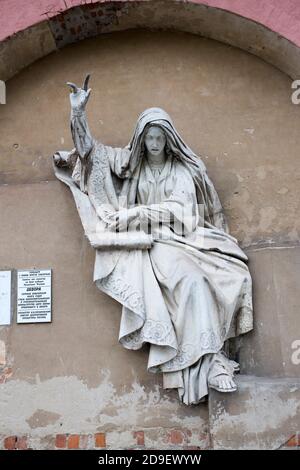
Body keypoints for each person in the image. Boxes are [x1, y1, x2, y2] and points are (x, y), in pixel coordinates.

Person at [53, 76, 253, 405]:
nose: (155, 143)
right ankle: (208, 362)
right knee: (193, 283)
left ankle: (212, 359)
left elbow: (183, 211)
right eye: (150, 137)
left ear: (169, 139)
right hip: (154, 246)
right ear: (142, 139)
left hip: (187, 240)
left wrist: (135, 214)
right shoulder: (132, 165)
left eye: (160, 137)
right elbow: (91, 154)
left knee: (221, 279)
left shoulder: (181, 171)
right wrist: (78, 115)